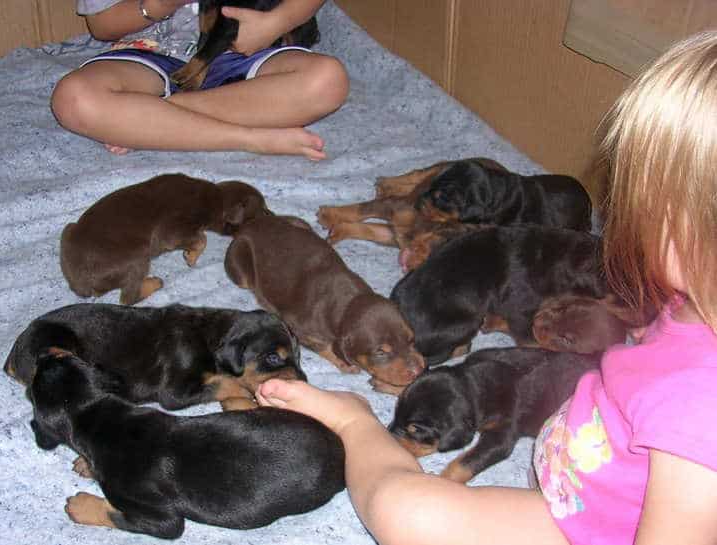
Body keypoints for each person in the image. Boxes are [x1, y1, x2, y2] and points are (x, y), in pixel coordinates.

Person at [255, 30, 717, 545]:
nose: (625, 217)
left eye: (646, 206)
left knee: (406, 513)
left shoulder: (702, 404)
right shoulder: (689, 295)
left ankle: (357, 425)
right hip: (590, 484)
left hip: (591, 527)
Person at [51, 0, 349, 159]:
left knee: (327, 80)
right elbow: (102, 26)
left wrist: (276, 23)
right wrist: (158, 5)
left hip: (241, 45)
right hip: (149, 50)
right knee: (73, 99)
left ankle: (144, 122)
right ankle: (253, 139)